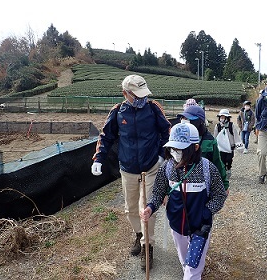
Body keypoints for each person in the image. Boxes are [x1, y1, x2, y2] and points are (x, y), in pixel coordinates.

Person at [91, 74, 171, 270]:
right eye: (137, 95)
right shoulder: (118, 112)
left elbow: (167, 131)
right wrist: (99, 159)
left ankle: (147, 247)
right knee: (131, 209)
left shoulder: (153, 108)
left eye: (143, 95)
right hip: (127, 169)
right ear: (125, 94)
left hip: (151, 167)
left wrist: (162, 156)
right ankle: (138, 234)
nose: (141, 99)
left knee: (147, 209)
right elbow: (106, 137)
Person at [140, 122, 227, 279]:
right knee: (185, 261)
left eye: (181, 149)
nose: (176, 152)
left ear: (195, 147)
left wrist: (206, 212)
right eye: (173, 148)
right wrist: (150, 207)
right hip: (176, 225)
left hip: (200, 227)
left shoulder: (208, 169)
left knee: (193, 268)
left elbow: (220, 195)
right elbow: (158, 192)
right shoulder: (167, 167)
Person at [176, 105, 229, 193]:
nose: (184, 121)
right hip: (181, 185)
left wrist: (224, 184)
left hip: (202, 186)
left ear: (199, 121)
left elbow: (217, 163)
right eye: (183, 118)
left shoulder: (209, 141)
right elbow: (171, 165)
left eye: (188, 118)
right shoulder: (178, 138)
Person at [213, 108, 243, 180]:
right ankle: (223, 172)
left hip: (230, 147)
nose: (222, 119)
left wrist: (239, 146)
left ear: (227, 118)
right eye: (221, 117)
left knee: (229, 159)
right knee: (222, 160)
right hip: (221, 147)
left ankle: (228, 169)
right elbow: (215, 136)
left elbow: (236, 136)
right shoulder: (218, 126)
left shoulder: (231, 126)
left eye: (223, 117)